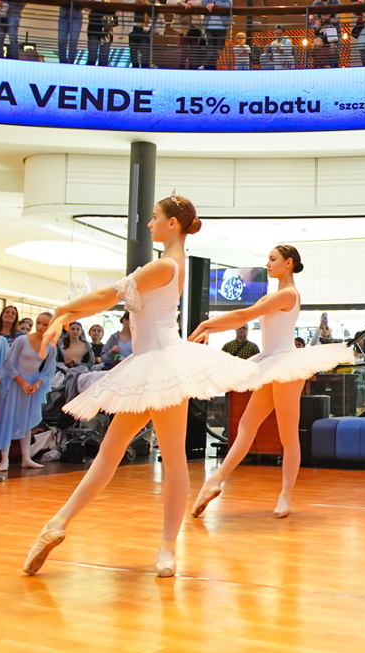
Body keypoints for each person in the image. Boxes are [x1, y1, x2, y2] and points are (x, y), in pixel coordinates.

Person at [22, 195, 258, 578]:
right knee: (127, 454)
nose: (149, 224)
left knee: (140, 455)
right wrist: (65, 315)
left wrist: (64, 312)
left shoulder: (165, 265)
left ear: (173, 224)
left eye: (154, 218)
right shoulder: (166, 264)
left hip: (163, 364)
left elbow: (105, 297)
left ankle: (72, 526)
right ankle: (67, 527)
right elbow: (104, 302)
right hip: (149, 366)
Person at [189, 245, 354, 518]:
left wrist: (206, 325)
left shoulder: (288, 294)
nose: (267, 263)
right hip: (270, 362)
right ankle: (215, 480)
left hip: (287, 364)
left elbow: (243, 316)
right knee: (246, 425)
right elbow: (242, 316)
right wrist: (208, 326)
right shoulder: (275, 294)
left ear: (288, 263)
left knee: (287, 435)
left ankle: (285, 495)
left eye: (273, 259)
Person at [0, 323, 54, 471]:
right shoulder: (22, 340)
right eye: (39, 323)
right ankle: (4, 458)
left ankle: (26, 457)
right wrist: (22, 382)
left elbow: (49, 370)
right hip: (16, 383)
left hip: (32, 385)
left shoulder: (51, 346)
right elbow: (8, 364)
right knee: (9, 418)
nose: (41, 327)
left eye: (45, 324)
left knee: (27, 421)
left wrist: (38, 383)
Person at [52, 0, 88, 64]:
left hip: (76, 16)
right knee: (62, 40)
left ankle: (71, 62)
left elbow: (87, 5)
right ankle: (62, 62)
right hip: (64, 15)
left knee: (73, 41)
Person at [200, 0, 232, 69]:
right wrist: (209, 5)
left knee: (218, 50)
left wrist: (214, 4)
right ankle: (209, 68)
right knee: (210, 49)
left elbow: (229, 4)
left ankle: (207, 67)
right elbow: (203, 3)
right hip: (209, 26)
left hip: (221, 26)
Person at [122, 0, 156, 67]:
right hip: (133, 28)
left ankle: (145, 69)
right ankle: (135, 68)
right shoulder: (127, 0)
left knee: (145, 51)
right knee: (133, 51)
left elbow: (153, 3)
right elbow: (122, 12)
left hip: (144, 28)